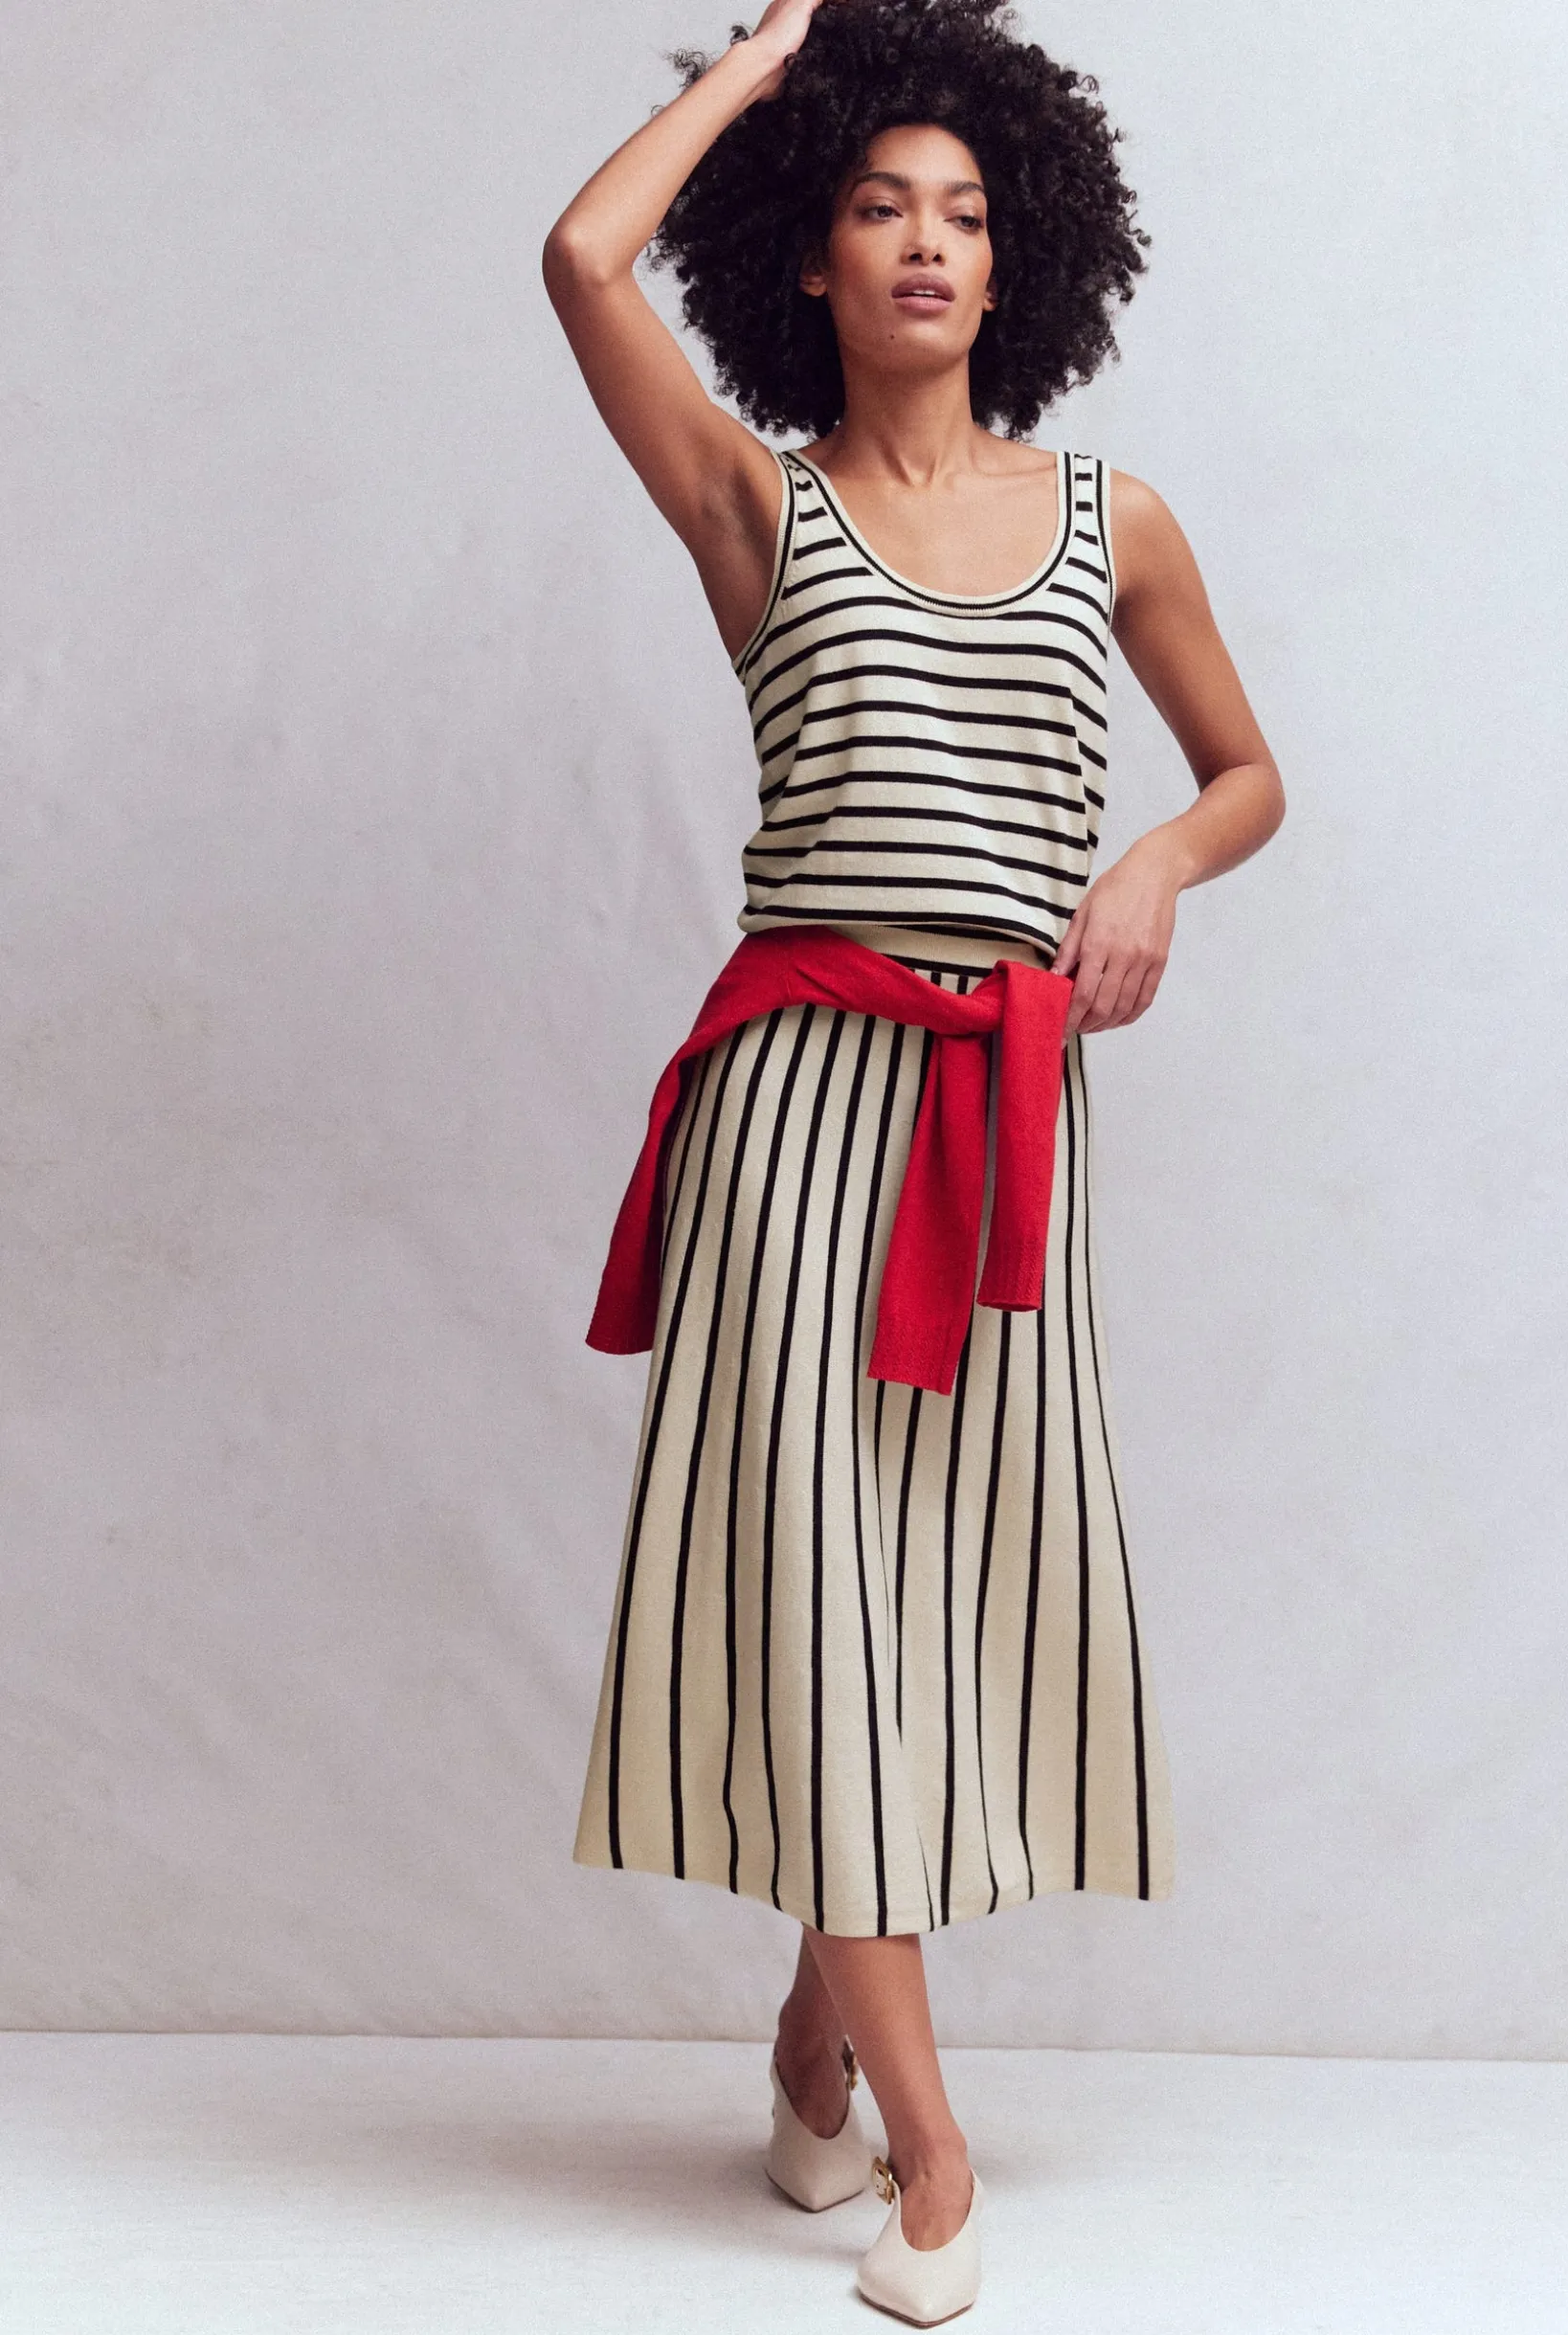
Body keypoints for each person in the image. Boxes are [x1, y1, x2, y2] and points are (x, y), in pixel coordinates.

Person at [542, 0, 1284, 2318]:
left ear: (1017, 250)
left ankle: (809, 2040)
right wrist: (775, 62)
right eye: (879, 203)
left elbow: (1249, 771)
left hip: (1003, 1116)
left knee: (928, 1602)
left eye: (964, 209)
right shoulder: (757, 507)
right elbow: (579, 261)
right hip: (798, 1121)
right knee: (824, 1590)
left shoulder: (1109, 520)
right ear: (811, 252)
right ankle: (934, 2157)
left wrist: (1152, 863)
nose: (926, 242)